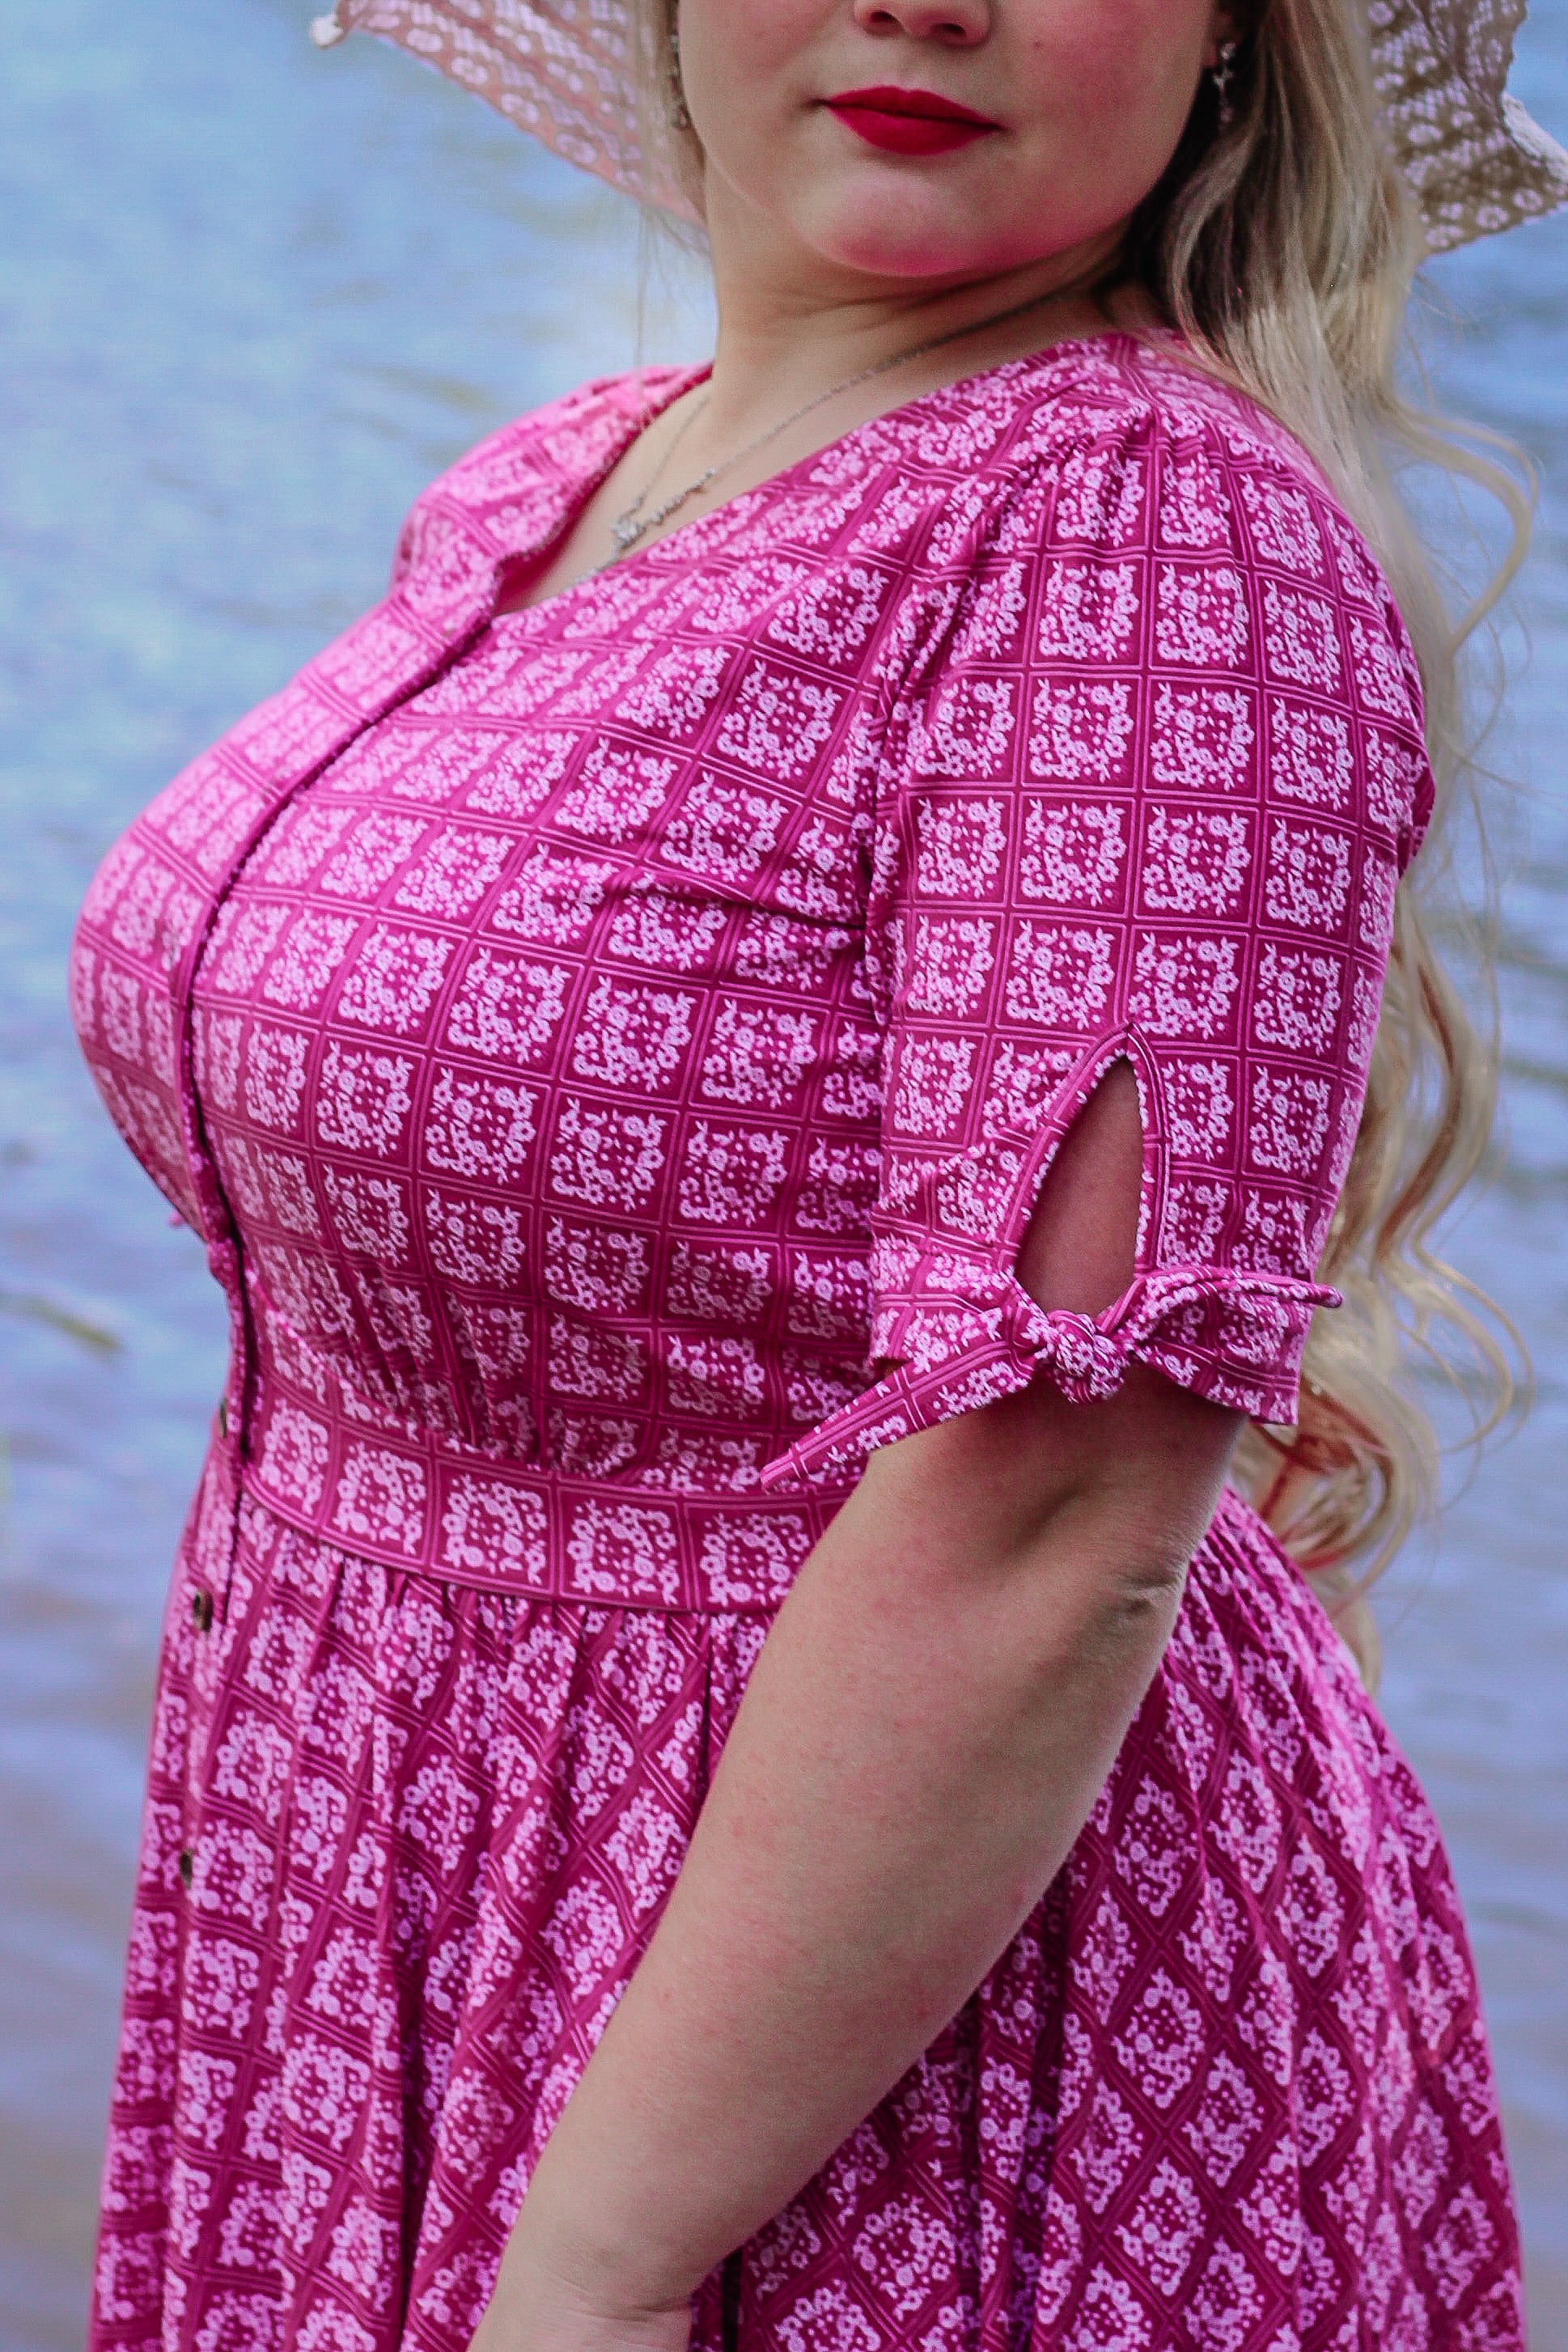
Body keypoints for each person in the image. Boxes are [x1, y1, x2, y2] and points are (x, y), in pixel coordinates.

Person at [74, 2, 1567, 2347]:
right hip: (389, 1850)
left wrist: (603, 2267)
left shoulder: (1152, 539)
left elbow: (1054, 1506)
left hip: (819, 2034)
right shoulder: (570, 471)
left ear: (1226, 36)